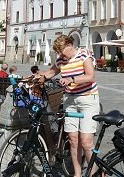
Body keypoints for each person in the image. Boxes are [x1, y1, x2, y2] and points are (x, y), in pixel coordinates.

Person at [40, 35, 100, 177]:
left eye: (62, 50)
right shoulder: (61, 60)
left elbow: (91, 76)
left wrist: (71, 79)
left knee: (86, 142)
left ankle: (95, 172)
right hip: (70, 101)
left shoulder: (83, 54)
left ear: (70, 44)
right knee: (73, 140)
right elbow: (50, 73)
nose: (61, 54)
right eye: (59, 52)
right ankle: (77, 174)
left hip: (87, 99)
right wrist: (35, 76)